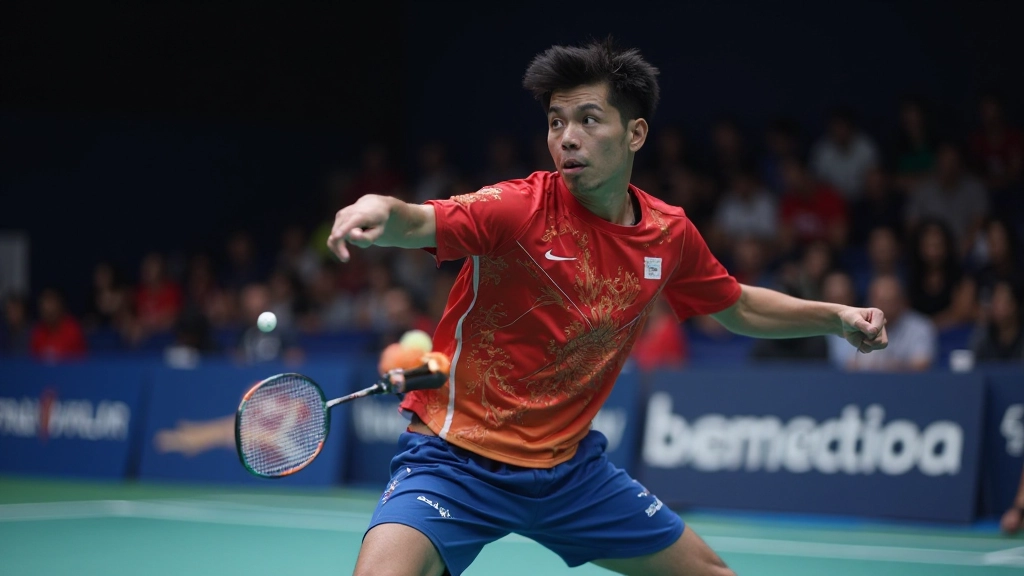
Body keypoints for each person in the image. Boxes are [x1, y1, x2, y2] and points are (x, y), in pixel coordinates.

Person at [326, 38, 888, 576]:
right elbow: (419, 219)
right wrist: (379, 209)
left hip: (569, 474)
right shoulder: (517, 208)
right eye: (555, 122)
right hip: (456, 461)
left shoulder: (668, 233)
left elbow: (737, 305)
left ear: (635, 132)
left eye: (588, 119)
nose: (567, 137)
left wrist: (834, 317)